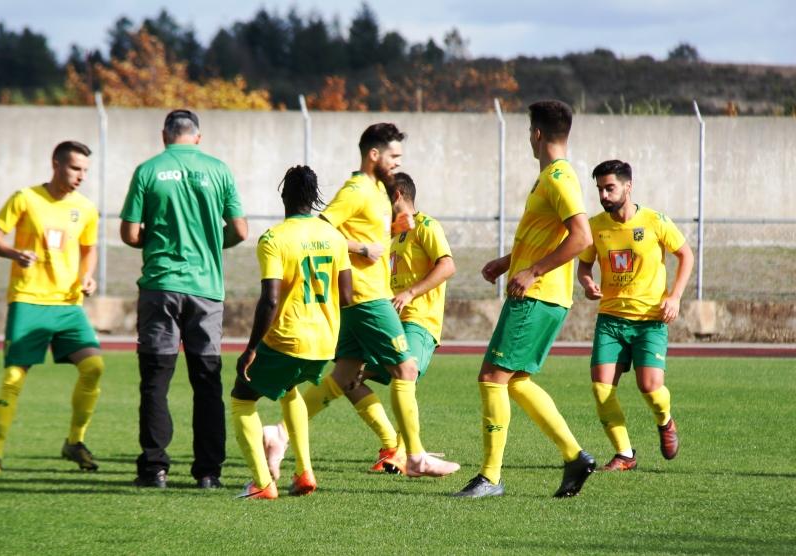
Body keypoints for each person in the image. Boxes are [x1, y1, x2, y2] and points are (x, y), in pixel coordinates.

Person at [281, 123, 458, 478]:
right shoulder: (358, 189)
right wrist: (361, 248)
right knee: (405, 370)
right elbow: (320, 229)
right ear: (374, 155)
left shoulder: (379, 193)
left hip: (357, 299)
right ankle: (415, 455)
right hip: (368, 298)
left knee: (345, 377)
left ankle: (280, 433)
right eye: (393, 157)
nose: (397, 163)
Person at [453, 100, 595, 499]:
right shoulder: (552, 177)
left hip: (538, 295)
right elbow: (549, 235)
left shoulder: (558, 177)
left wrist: (533, 272)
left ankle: (490, 477)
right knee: (514, 381)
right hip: (542, 294)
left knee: (492, 377)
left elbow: (582, 237)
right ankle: (574, 457)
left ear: (536, 134)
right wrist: (508, 262)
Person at [120, 109, 248, 489]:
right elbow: (240, 230)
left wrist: (158, 241)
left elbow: (128, 233)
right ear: (198, 137)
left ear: (164, 135)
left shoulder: (148, 170)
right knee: (206, 381)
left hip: (161, 285)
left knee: (155, 380)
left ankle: (154, 469)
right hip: (206, 290)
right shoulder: (219, 170)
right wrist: (210, 243)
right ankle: (208, 472)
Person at [0, 141, 104, 474]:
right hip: (28, 299)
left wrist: (87, 277)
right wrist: (13, 253)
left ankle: (74, 442)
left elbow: (89, 249)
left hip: (67, 304)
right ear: (56, 164)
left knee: (93, 367)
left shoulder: (87, 208)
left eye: (85, 171)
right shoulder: (25, 198)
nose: (81, 176)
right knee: (14, 376)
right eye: (75, 168)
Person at [232, 166, 352, 499]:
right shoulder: (334, 236)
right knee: (289, 390)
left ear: (283, 194)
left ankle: (261, 483)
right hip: (324, 342)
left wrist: (251, 348)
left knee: (241, 400)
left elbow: (270, 299)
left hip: (287, 337)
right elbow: (346, 296)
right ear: (315, 198)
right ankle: (304, 474)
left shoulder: (274, 238)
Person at [578, 160, 693, 471]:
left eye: (609, 187)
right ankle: (625, 454)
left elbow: (686, 255)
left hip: (650, 321)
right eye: (599, 188)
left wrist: (675, 296)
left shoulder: (655, 221)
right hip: (610, 320)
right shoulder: (595, 226)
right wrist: (587, 282)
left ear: (628, 187)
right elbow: (585, 265)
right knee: (601, 389)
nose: (603, 194)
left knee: (650, 389)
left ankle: (665, 421)